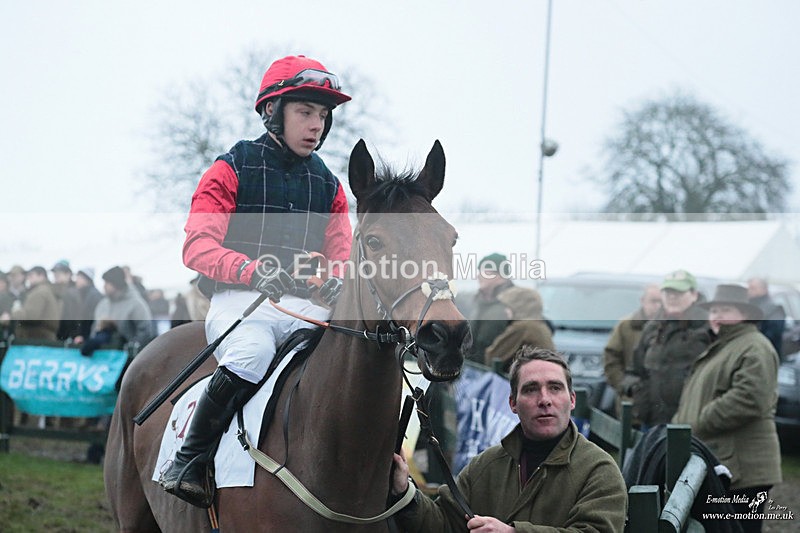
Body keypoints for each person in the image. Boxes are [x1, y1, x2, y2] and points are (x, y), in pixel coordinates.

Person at [159, 54, 353, 507]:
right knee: (252, 353)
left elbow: (341, 255)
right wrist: (250, 269)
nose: (317, 125)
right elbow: (197, 246)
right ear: (272, 111)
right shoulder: (230, 167)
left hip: (305, 306)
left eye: (323, 116)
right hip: (241, 303)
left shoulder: (330, 186)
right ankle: (188, 460)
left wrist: (333, 279)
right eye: (305, 112)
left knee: (348, 356)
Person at [390, 346, 627, 532]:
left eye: (555, 388)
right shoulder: (486, 466)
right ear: (513, 403)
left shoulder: (598, 469)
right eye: (531, 389)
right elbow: (443, 524)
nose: (545, 400)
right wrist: (404, 491)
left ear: (571, 400)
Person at [673, 284, 781, 533]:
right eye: (714, 311)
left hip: (743, 468)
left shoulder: (754, 346)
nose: (717, 316)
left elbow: (749, 398)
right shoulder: (725, 345)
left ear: (745, 314)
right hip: (727, 462)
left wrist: (699, 422)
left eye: (726, 310)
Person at [627, 270, 710, 428]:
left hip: (693, 423)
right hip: (653, 421)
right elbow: (634, 371)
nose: (672, 297)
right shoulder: (652, 328)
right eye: (667, 292)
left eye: (678, 292)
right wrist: (640, 395)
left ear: (694, 294)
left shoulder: (708, 328)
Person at [603, 283, 661, 419]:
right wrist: (624, 386)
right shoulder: (626, 326)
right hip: (631, 404)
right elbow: (611, 358)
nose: (657, 306)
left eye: (661, 302)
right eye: (653, 301)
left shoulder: (669, 326)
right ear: (643, 301)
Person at [81, 266, 156, 354]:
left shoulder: (136, 304)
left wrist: (131, 348)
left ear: (116, 284)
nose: (104, 286)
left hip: (128, 357)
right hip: (103, 356)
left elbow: (145, 331)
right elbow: (95, 328)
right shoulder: (103, 304)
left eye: (107, 283)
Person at [484, 286, 554, 373]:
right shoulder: (537, 325)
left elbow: (493, 356)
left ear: (519, 308)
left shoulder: (524, 327)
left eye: (509, 307)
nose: (506, 311)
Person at [464, 253, 515, 364]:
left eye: (484, 272)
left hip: (502, 371)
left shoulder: (517, 301)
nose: (478, 276)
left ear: (500, 275)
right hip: (475, 369)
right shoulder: (478, 302)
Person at [0, 265, 61, 341]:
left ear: (41, 276)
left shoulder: (40, 292)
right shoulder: (46, 290)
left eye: (31, 275)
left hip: (37, 337)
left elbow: (30, 315)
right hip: (43, 336)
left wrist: (11, 316)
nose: (28, 278)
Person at [747, 277, 786, 359]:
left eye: (753, 288)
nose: (749, 291)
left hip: (766, 355)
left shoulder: (774, 309)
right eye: (748, 288)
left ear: (764, 289)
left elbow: (772, 334)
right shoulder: (747, 306)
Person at [51, 259, 82, 341]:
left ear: (68, 274)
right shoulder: (53, 291)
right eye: (55, 272)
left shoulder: (74, 292)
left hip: (67, 337)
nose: (56, 274)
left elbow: (73, 318)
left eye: (59, 272)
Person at [73, 267, 103, 343]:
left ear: (87, 280)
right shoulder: (84, 293)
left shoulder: (93, 295)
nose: (76, 280)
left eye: (79, 278)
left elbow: (90, 319)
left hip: (89, 338)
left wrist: (83, 336)